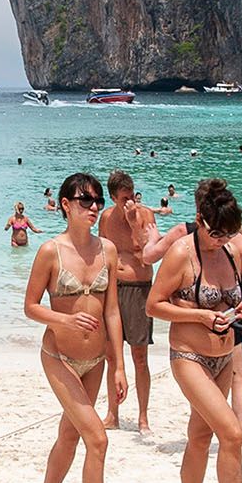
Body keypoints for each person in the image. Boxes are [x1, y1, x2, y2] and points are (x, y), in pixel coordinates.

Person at [147, 179, 242, 483]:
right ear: (199, 219)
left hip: (225, 355)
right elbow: (154, 305)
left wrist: (238, 313)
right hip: (189, 357)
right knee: (231, 434)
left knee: (200, 436)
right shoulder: (181, 252)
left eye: (228, 234)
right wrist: (199, 316)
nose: (220, 240)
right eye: (214, 233)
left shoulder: (232, 248)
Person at [24, 171, 125, 483]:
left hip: (96, 360)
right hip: (59, 358)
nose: (94, 208)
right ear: (66, 205)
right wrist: (64, 319)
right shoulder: (50, 251)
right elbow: (30, 307)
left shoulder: (108, 251)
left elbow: (112, 311)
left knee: (70, 434)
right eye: (86, 201)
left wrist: (118, 365)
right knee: (96, 438)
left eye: (98, 201)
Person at [101, 170, 159, 432]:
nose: (129, 202)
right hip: (113, 288)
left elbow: (146, 255)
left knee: (140, 356)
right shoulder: (105, 218)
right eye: (123, 199)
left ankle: (143, 416)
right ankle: (112, 414)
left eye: (132, 196)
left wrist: (133, 222)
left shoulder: (145, 215)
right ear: (113, 198)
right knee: (112, 357)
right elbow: (101, 253)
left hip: (139, 288)